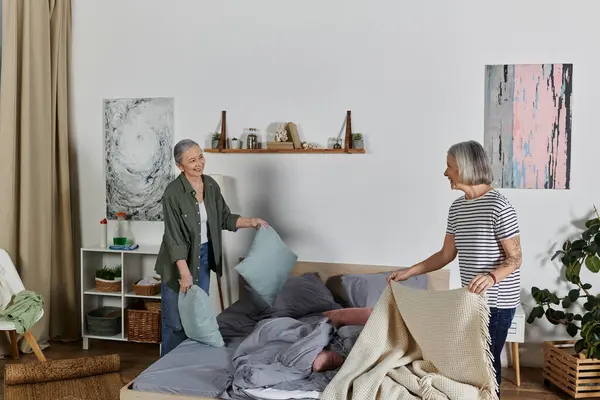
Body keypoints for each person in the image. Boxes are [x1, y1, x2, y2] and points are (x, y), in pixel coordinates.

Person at [387, 140, 522, 395]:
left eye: (449, 166)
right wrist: (409, 271)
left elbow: (515, 258)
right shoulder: (458, 208)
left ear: (465, 167)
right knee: (471, 364)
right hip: (470, 299)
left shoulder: (499, 206)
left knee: (486, 365)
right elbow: (445, 255)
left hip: (497, 302)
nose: (445, 172)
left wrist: (492, 277)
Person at [155, 139, 268, 356]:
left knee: (197, 319)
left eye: (200, 157)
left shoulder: (211, 186)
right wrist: (184, 271)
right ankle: (167, 369)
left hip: (204, 257)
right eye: (192, 160)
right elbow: (173, 236)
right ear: (180, 166)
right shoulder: (172, 193)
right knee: (175, 323)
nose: (199, 163)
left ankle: (190, 364)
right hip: (177, 263)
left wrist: (252, 221)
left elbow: (224, 218)